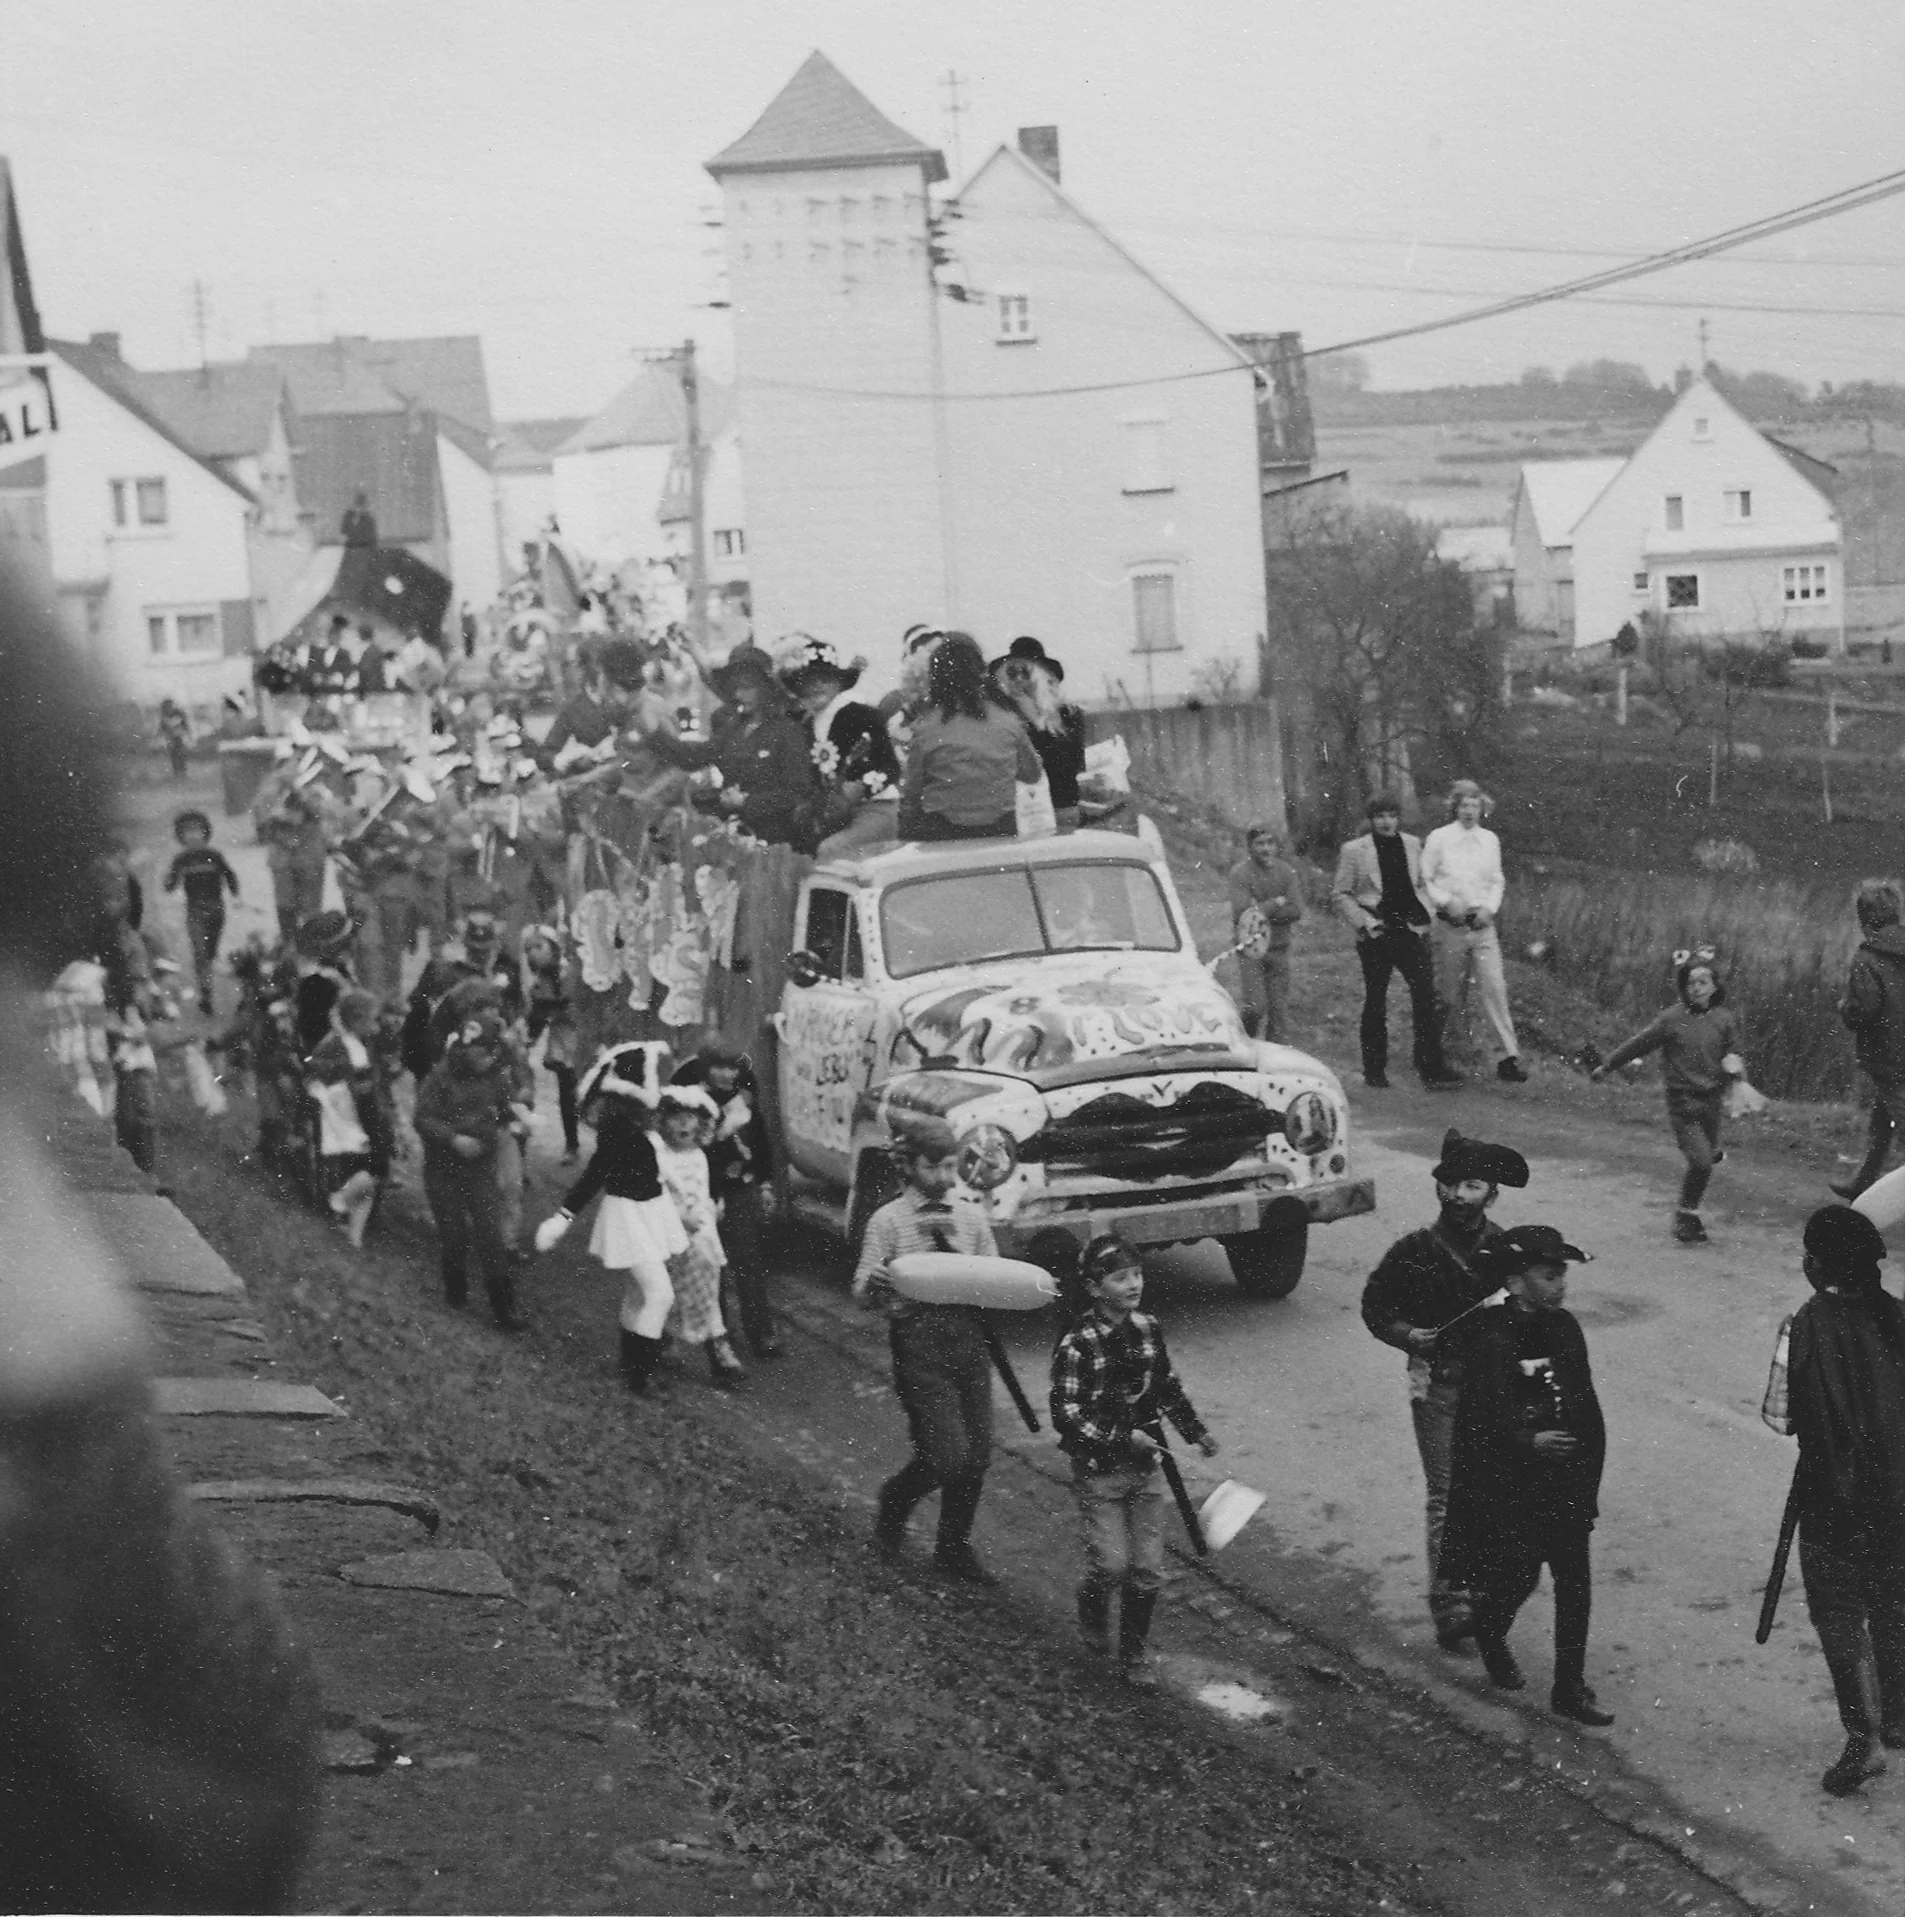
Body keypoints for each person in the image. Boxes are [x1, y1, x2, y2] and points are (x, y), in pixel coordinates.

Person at [1361, 1128, 1529, 1651]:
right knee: (1446, 1494)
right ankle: (1449, 1602)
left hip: (1493, 1391)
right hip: (1435, 1385)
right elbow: (1375, 1308)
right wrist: (1408, 1335)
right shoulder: (1413, 1250)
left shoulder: (1507, 1252)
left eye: (1472, 1186)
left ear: (1492, 1194)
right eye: (1450, 1185)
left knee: (1491, 1491)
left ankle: (1480, 1591)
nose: (1459, 1196)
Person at [1441, 1224, 1612, 1725]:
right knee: (1518, 1575)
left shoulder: (1565, 1329)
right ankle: (1491, 1631)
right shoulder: (1493, 1337)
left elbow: (1584, 1402)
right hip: (1515, 1484)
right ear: (1516, 1283)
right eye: (1549, 1275)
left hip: (1566, 1482)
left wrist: (1587, 1475)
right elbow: (1483, 1416)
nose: (1561, 1285)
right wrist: (1527, 1441)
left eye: (1563, 1275)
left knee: (1575, 1580)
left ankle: (1569, 1685)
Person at [1762, 1205, 1905, 1796]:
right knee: (1895, 1600)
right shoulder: (1899, 1318)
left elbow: (1780, 1417)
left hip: (1833, 1497)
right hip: (1900, 1495)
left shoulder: (1803, 1325)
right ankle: (1897, 1716)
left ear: (1816, 1265)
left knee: (1841, 1613)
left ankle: (1862, 1739)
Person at [1049, 1234, 1219, 1687]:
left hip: (1146, 1472)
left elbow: (1165, 1385)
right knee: (1111, 1566)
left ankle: (1134, 1656)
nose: (1133, 1284)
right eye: (1119, 1277)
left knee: (1146, 1571)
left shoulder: (1147, 1328)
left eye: (1138, 1274)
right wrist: (1123, 1437)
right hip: (1100, 1472)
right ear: (1093, 1287)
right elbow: (1066, 1413)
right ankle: (1092, 1600)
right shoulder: (1077, 1343)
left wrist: (1195, 1431)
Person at [855, 1127, 1001, 1582]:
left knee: (976, 1455)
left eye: (948, 1164)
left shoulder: (973, 1219)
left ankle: (953, 1547)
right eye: (929, 1165)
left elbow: (996, 1277)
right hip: (919, 1344)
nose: (941, 1175)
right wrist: (875, 1286)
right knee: (945, 1455)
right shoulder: (887, 1221)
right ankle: (895, 1500)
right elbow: (861, 1289)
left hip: (970, 1341)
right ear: (908, 1166)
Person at [534, 1042, 686, 1395]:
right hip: (629, 1215)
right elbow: (594, 1175)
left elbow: (657, 1166)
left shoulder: (638, 1126)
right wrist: (564, 1216)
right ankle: (641, 1374)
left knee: (639, 1292)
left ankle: (632, 1363)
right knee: (659, 1294)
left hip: (649, 1210)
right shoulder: (618, 1129)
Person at [1591, 946, 1747, 1245]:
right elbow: (1637, 1044)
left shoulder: (1724, 1020)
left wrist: (1736, 1070)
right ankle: (1686, 1216)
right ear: (1683, 988)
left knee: (1707, 1156)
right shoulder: (1670, 1020)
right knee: (1701, 1163)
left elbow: (1733, 1050)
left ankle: (1707, 1157)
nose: (1697, 988)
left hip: (1712, 1101)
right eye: (1690, 983)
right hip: (1683, 1102)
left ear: (1715, 986)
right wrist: (1608, 1065)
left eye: (1703, 982)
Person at [1332, 794, 1461, 1091]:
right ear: (1371, 819)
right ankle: (1374, 1069)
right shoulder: (1354, 850)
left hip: (1409, 931)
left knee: (1426, 996)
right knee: (1376, 999)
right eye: (1379, 816)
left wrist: (1426, 913)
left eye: (1391, 815)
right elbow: (1341, 893)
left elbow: (1422, 884)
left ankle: (1430, 1066)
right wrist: (1366, 922)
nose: (1386, 822)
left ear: (1398, 817)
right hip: (1377, 932)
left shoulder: (1414, 844)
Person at [640, 644, 820, 850]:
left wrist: (748, 802)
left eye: (748, 687)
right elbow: (694, 757)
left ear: (766, 687)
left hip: (772, 835)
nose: (740, 694)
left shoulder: (787, 731)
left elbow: (797, 792)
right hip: (732, 827)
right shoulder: (734, 727)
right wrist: (654, 732)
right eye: (736, 687)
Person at [412, 1007, 525, 1330]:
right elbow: (422, 1118)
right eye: (483, 1051)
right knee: (454, 1233)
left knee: (490, 1233)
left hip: (480, 1168)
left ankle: (504, 1308)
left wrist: (516, 1120)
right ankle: (455, 1292)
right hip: (443, 1168)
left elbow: (505, 1110)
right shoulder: (440, 1076)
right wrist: (452, 1138)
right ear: (466, 1047)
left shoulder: (497, 1077)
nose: (489, 1058)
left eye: (493, 1052)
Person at [671, 1037, 780, 1358]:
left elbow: (761, 1145)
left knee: (747, 1259)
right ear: (706, 1068)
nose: (726, 1075)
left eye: (731, 1068)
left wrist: (765, 1183)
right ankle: (718, 1336)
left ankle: (761, 1332)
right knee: (710, 1263)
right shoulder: (692, 1104)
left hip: (740, 1189)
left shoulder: (744, 1104)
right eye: (718, 1067)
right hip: (703, 1193)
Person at [1420, 780, 1526, 1083]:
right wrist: (1446, 902)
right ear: (1455, 806)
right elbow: (1425, 878)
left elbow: (1497, 880)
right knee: (1449, 995)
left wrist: (1489, 909)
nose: (1469, 811)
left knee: (1495, 986)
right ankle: (1443, 1055)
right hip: (1450, 925)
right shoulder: (1439, 838)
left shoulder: (1490, 840)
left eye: (1475, 805)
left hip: (1482, 926)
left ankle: (1509, 1057)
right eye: (1464, 805)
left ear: (1483, 808)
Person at [897, 632, 1040, 843]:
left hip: (941, 835)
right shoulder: (1008, 721)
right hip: (1000, 833)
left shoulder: (926, 728)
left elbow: (912, 794)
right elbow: (1032, 773)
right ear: (980, 671)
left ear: (936, 676)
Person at [653, 1085, 748, 1387]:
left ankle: (719, 1350)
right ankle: (663, 1340)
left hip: (701, 1239)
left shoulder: (699, 1157)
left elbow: (703, 1193)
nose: (683, 1124)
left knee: (706, 1293)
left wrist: (709, 1210)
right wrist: (679, 1218)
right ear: (664, 1121)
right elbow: (657, 1195)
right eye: (676, 1117)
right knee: (668, 1292)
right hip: (668, 1235)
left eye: (690, 1118)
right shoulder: (660, 1156)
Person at [777, 633, 903, 859]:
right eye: (809, 681)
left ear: (839, 683)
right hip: (834, 815)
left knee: (831, 850)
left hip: (877, 809)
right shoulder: (808, 723)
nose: (816, 686)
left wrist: (861, 787)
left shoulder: (862, 715)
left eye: (824, 679)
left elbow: (891, 768)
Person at [1834, 879, 1905, 1199]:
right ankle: (1863, 1185)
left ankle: (1865, 1185)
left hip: (1889, 1056)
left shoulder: (1867, 958)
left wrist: (1844, 1008)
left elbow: (1864, 1010)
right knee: (1883, 1120)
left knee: (1898, 1121)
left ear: (1864, 919)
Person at [306, 987, 391, 1248]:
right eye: (372, 1020)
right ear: (356, 1020)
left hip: (365, 1114)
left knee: (369, 1171)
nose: (376, 1026)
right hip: (347, 1118)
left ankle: (355, 1233)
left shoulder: (363, 1044)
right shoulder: (336, 1045)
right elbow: (318, 1077)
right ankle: (340, 1201)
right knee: (370, 1167)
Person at [990, 636, 1087, 832]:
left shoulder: (1068, 714)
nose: (1018, 680)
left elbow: (1067, 765)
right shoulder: (1002, 714)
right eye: (1011, 673)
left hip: (1060, 808)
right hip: (1017, 811)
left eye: (1025, 673)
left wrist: (1036, 722)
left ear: (1041, 677)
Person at [1225, 822, 1304, 1043]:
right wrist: (1276, 902)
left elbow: (1296, 910)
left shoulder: (1286, 871)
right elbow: (1243, 914)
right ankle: (1243, 1044)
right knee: (1255, 1007)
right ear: (1250, 847)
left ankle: (1273, 1060)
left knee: (1279, 1014)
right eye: (1260, 843)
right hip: (1251, 949)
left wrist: (1259, 910)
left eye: (1270, 842)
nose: (1266, 848)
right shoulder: (1240, 874)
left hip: (1279, 949)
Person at [163, 809, 240, 1014]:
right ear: (181, 837)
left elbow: (229, 874)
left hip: (216, 908)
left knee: (211, 951)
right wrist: (170, 877)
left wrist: (236, 894)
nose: (194, 836)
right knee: (200, 952)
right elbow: (170, 885)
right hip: (194, 910)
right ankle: (206, 991)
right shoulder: (181, 860)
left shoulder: (214, 856)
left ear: (206, 833)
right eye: (188, 832)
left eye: (198, 831)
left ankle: (207, 978)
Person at [521, 925, 581, 1162]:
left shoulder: (575, 972)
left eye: (539, 947)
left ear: (554, 948)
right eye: (529, 950)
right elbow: (536, 1019)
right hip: (563, 1041)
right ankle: (572, 1145)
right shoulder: (540, 985)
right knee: (567, 1093)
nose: (533, 954)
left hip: (584, 1036)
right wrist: (526, 1042)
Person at [256, 780, 330, 946]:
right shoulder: (276, 816)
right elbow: (263, 827)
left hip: (309, 866)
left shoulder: (313, 812)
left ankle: (309, 945)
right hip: (285, 868)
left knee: (310, 910)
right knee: (286, 910)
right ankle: (290, 946)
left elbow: (320, 815)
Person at [158, 696, 191, 781]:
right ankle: (178, 773)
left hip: (177, 737)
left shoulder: (178, 713)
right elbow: (162, 728)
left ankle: (182, 773)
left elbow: (185, 725)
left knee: (180, 754)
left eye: (171, 705)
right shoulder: (165, 715)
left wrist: (188, 734)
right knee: (174, 755)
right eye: (168, 705)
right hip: (171, 738)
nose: (170, 707)